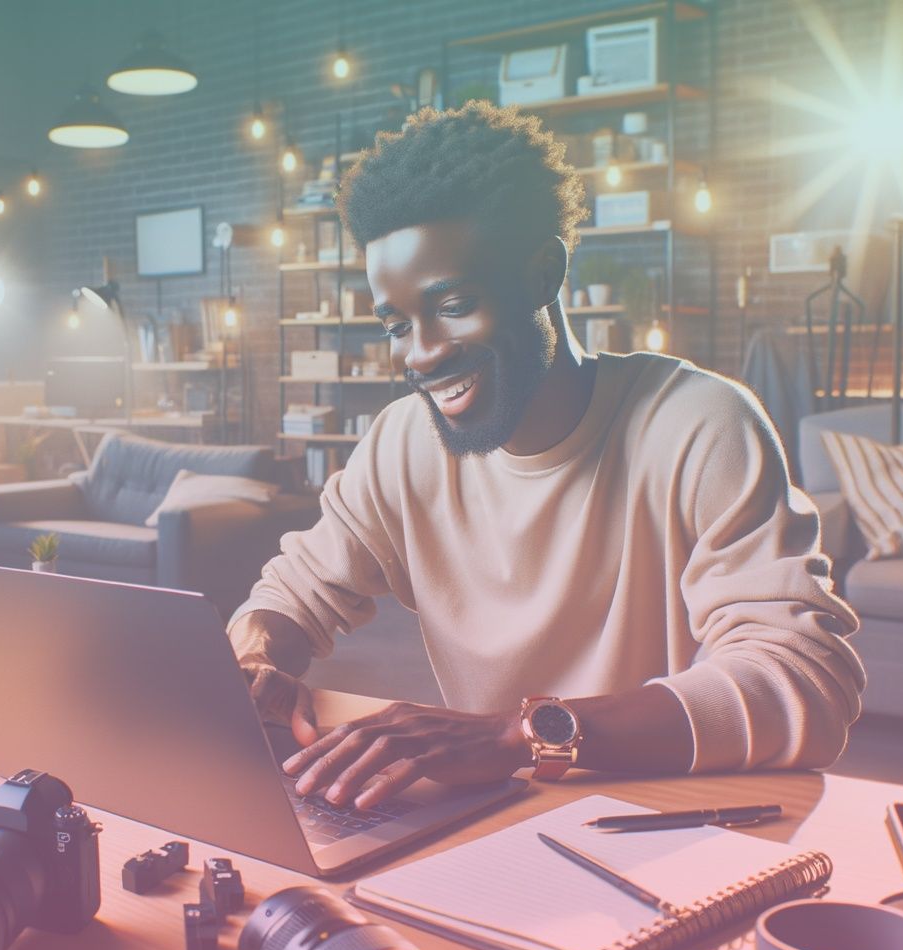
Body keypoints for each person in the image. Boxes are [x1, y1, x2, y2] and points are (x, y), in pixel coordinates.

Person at [229, 102, 864, 811]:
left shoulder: (698, 423)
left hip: (676, 820)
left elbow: (805, 682)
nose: (424, 352)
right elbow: (289, 597)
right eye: (398, 324)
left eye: (455, 303)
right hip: (498, 818)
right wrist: (255, 662)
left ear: (543, 275)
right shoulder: (401, 444)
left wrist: (520, 736)